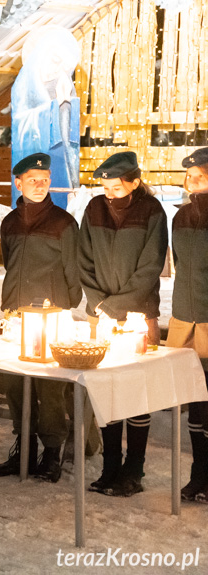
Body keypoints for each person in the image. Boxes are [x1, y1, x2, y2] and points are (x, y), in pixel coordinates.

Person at [78, 151, 167, 497]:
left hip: (137, 316)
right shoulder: (94, 210)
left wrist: (116, 305)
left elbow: (150, 266)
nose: (109, 193)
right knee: (107, 390)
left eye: (116, 186)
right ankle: (110, 465)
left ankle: (135, 469)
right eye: (105, 186)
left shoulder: (152, 212)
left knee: (135, 392)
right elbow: (83, 257)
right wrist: (98, 301)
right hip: (99, 313)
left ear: (134, 182)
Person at [0, 153, 82, 483]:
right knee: (15, 383)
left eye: (44, 180)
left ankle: (53, 452)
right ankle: (25, 447)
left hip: (51, 314)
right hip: (16, 313)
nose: (40, 185)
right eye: (33, 180)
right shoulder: (10, 222)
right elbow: (8, 262)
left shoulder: (62, 223)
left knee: (50, 387)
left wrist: (67, 304)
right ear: (18, 183)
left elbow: (73, 267)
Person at [166, 147, 208, 503]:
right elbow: (179, 263)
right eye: (190, 176)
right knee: (195, 402)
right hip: (185, 317)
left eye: (201, 176)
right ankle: (198, 475)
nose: (193, 181)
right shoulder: (180, 217)